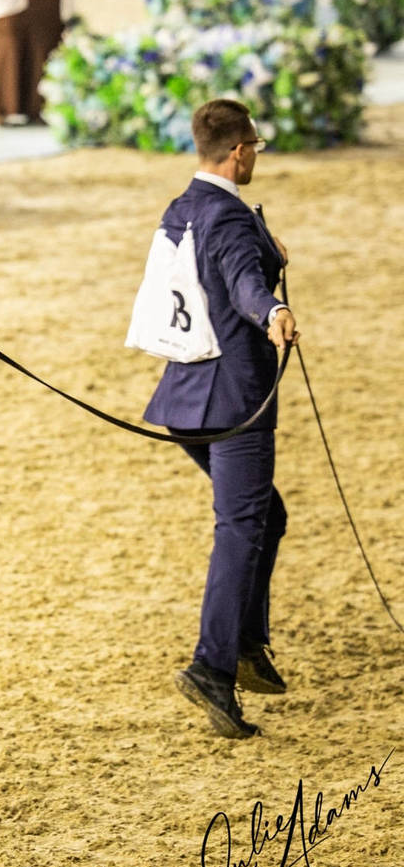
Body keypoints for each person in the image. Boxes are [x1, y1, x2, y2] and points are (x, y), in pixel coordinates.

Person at [144, 100, 298, 739]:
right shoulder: (230, 217)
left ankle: (244, 643)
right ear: (238, 152)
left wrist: (270, 251)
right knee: (240, 525)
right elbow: (239, 283)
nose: (255, 156)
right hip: (234, 398)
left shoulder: (182, 207)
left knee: (268, 515)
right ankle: (213, 665)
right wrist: (272, 310)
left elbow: (214, 272)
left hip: (187, 396)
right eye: (254, 147)